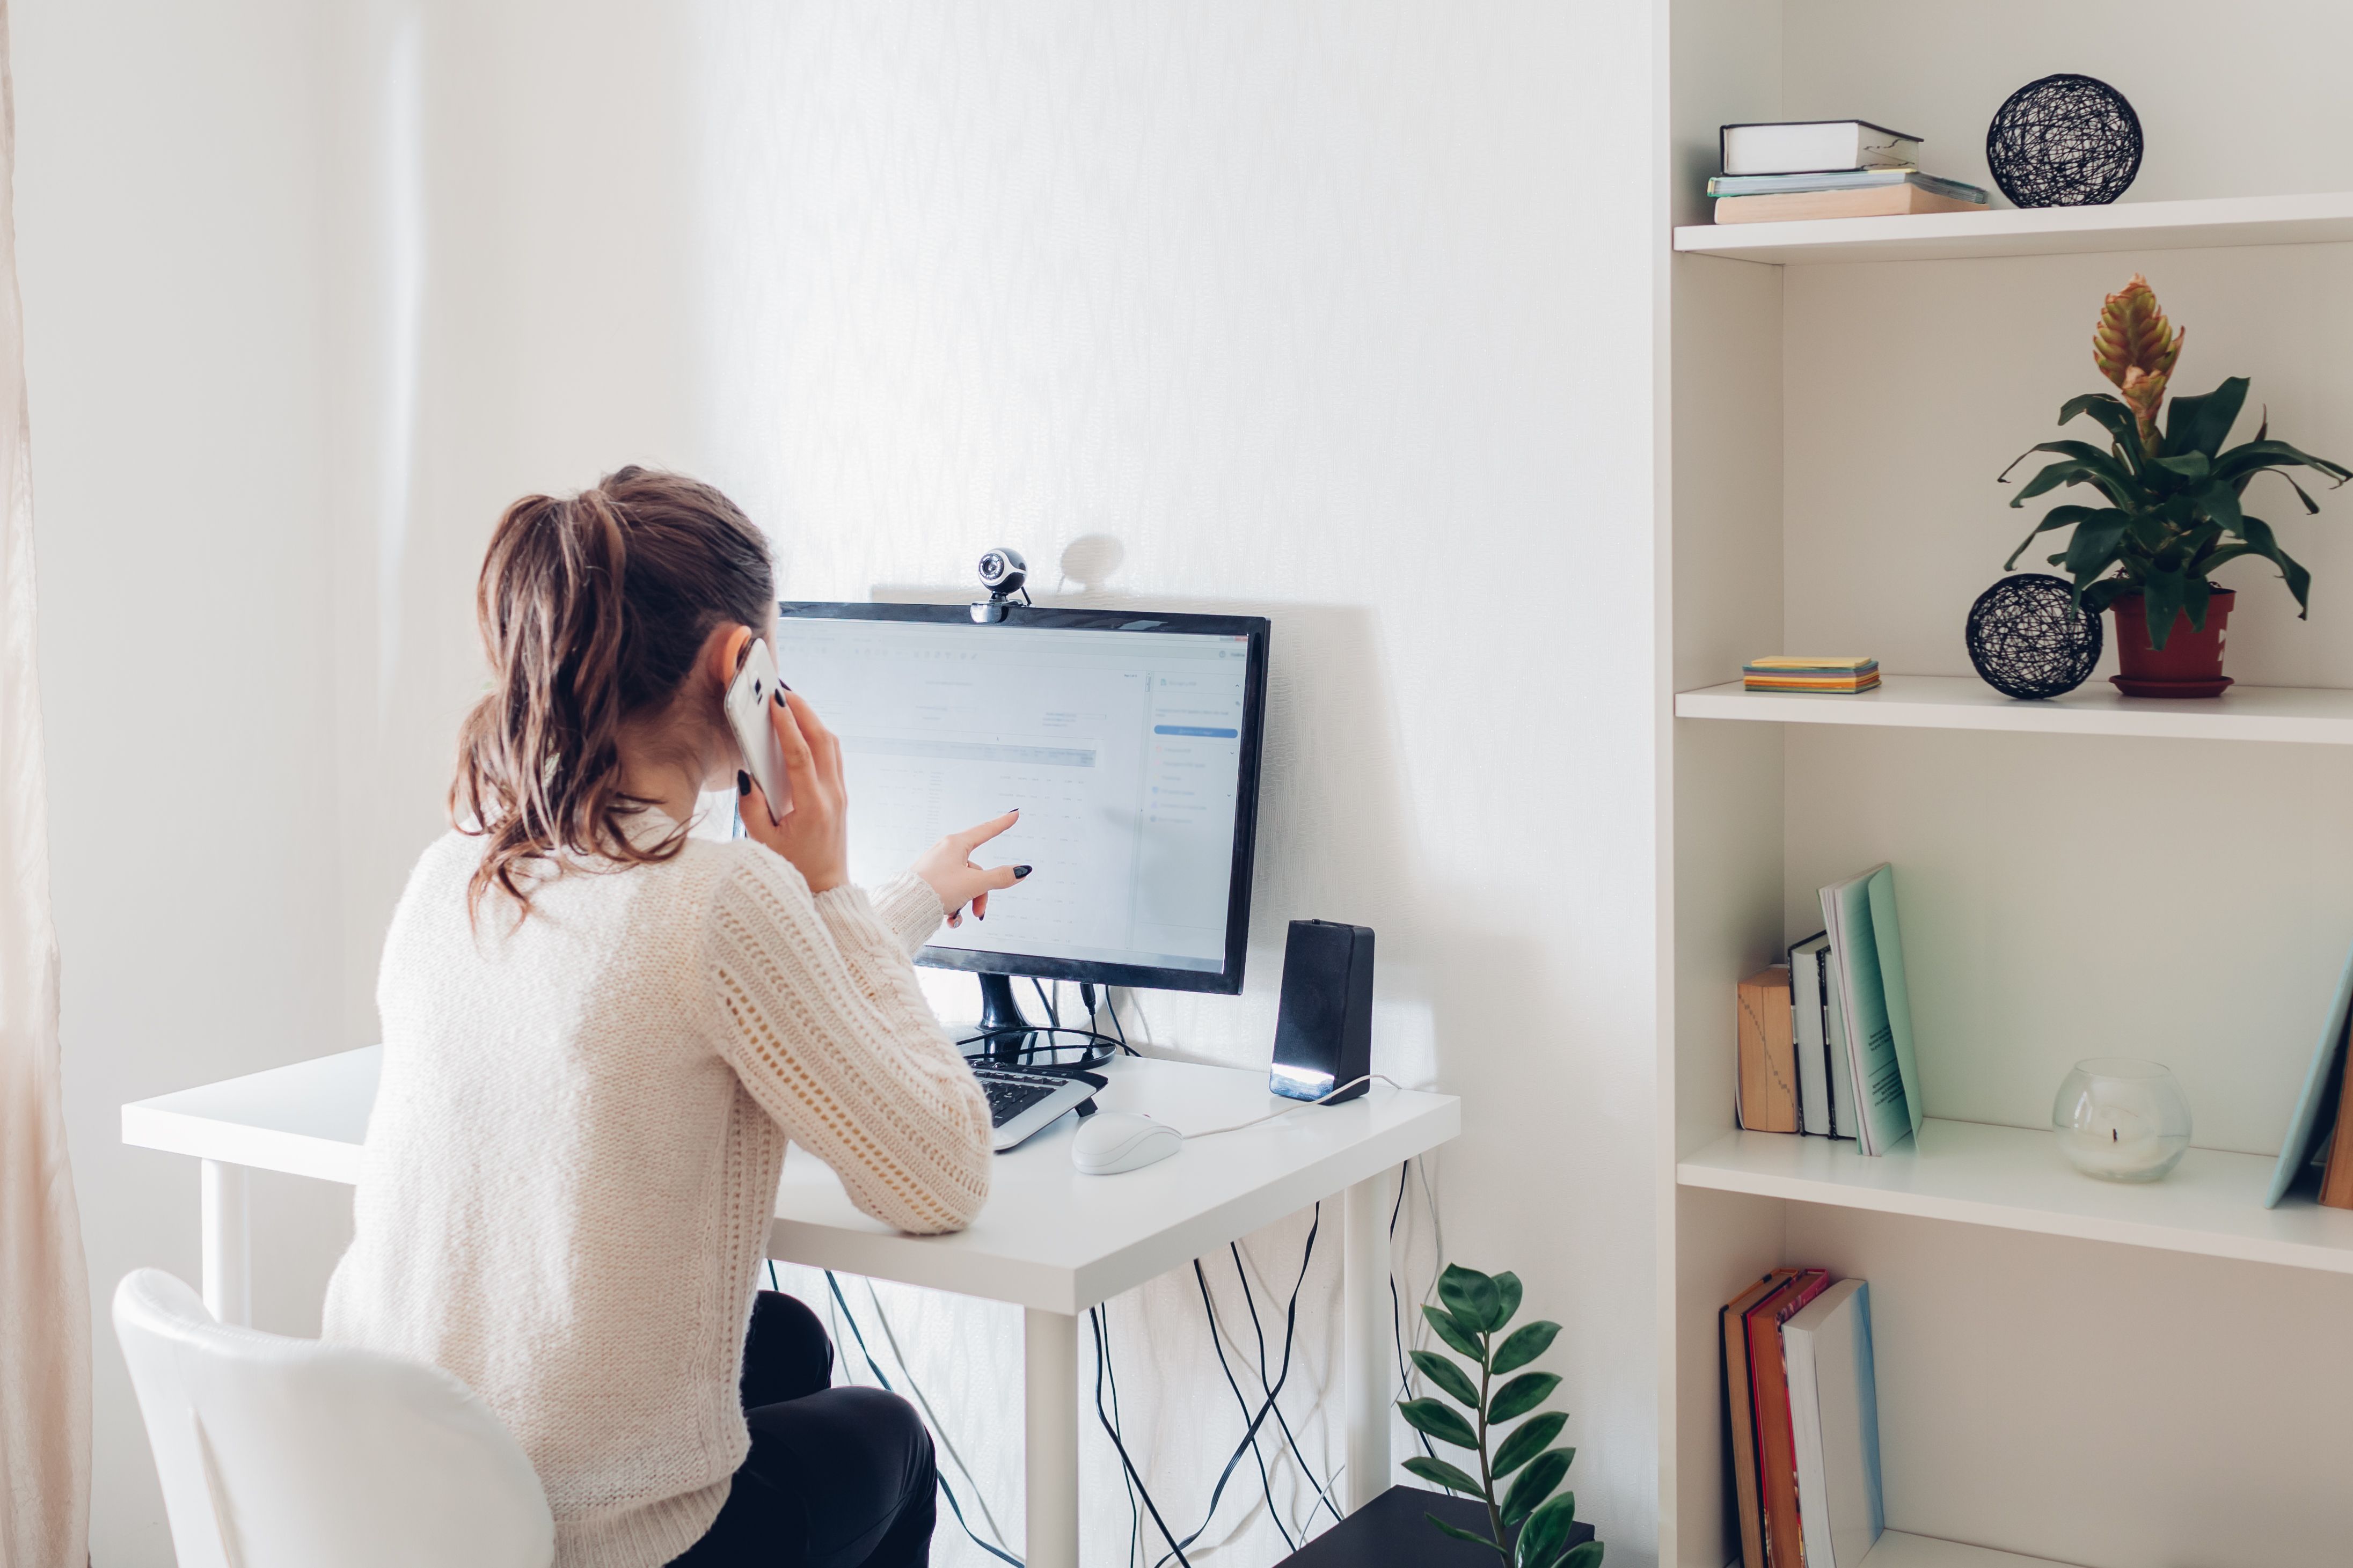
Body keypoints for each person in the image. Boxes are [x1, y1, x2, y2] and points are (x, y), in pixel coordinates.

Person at [324, 467, 1024, 1568]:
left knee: (782, 1342)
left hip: (412, 1504)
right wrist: (828, 889)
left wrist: (909, 899)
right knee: (888, 1439)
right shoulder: (723, 899)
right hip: (587, 1540)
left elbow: (736, 993)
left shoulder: (454, 869)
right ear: (740, 665)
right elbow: (941, 1177)